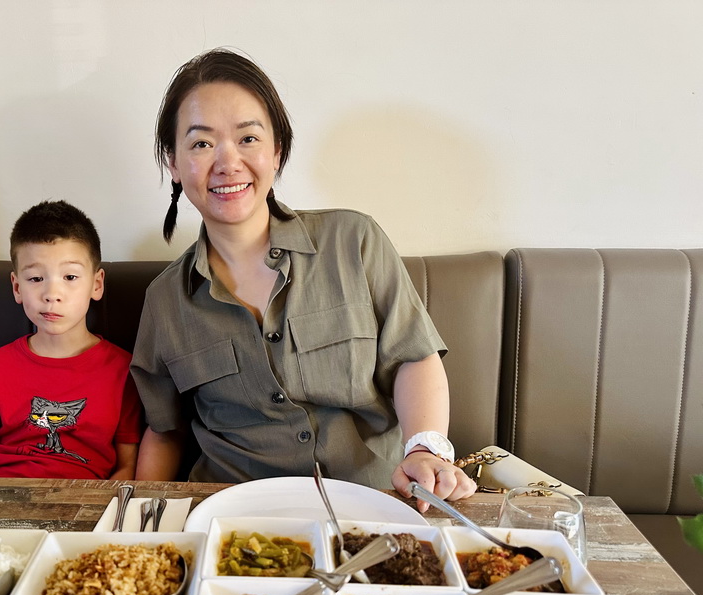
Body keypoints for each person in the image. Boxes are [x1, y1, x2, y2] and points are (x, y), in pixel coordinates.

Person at [130, 48, 475, 510]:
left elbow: (414, 357)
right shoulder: (166, 300)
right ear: (173, 162)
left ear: (277, 150)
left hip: (373, 503)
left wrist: (426, 449)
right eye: (201, 143)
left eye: (248, 138)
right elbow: (164, 429)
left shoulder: (354, 240)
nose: (228, 162)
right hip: (233, 514)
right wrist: (138, 522)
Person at [0, 200, 142, 480]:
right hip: (0, 499)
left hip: (87, 506)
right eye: (36, 278)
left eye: (70, 276)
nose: (52, 293)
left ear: (96, 284)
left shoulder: (125, 371)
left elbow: (127, 468)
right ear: (17, 287)